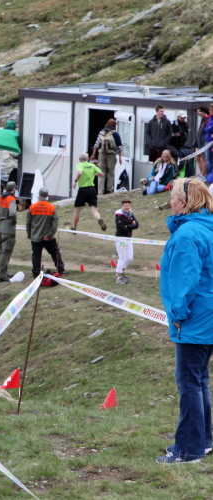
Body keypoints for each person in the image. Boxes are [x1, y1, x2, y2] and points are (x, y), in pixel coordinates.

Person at [157, 178, 213, 464]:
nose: (170, 202)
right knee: (199, 378)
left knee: (189, 381)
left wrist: (178, 314)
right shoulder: (207, 228)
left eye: (173, 197)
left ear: (184, 202)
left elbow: (185, 279)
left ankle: (188, 449)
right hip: (207, 315)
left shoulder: (188, 234)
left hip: (195, 317)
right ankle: (203, 440)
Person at [26, 187, 64, 278]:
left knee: (36, 255)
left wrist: (29, 234)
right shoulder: (51, 207)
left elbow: (28, 223)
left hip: (35, 237)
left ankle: (36, 273)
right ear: (46, 195)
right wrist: (49, 234)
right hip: (48, 237)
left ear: (39, 195)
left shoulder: (32, 207)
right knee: (55, 252)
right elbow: (55, 223)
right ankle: (61, 269)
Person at [0, 181, 18, 282]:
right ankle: (2, 274)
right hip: (9, 229)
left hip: (1, 227)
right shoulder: (11, 199)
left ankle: (3, 272)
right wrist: (14, 222)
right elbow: (13, 213)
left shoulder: (0, 197)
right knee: (6, 252)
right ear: (13, 189)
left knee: (2, 251)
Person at [71, 152, 107, 232]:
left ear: (79, 159)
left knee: (77, 211)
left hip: (83, 189)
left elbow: (79, 172)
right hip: (92, 189)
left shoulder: (80, 165)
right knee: (94, 209)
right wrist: (93, 174)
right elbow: (102, 174)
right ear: (87, 159)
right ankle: (99, 218)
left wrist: (75, 181)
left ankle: (74, 228)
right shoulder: (92, 165)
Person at [90, 118, 123, 194]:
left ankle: (100, 192)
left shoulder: (101, 133)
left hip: (101, 154)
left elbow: (96, 145)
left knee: (101, 173)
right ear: (114, 125)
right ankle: (109, 190)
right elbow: (119, 147)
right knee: (110, 173)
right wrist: (120, 157)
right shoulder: (115, 134)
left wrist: (93, 155)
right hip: (111, 154)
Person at [114, 199, 139, 285]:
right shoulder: (119, 216)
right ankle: (119, 277)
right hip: (121, 239)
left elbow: (137, 225)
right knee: (122, 258)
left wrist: (128, 226)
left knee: (129, 258)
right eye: (125, 206)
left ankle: (122, 272)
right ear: (122, 206)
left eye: (128, 205)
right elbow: (121, 228)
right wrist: (131, 225)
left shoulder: (130, 213)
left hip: (128, 238)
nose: (127, 207)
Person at [195, 106, 209, 176]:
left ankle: (203, 174)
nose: (198, 115)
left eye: (199, 113)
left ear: (204, 112)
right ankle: (202, 173)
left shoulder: (207, 120)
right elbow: (199, 132)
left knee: (203, 159)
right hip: (199, 142)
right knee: (197, 157)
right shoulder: (202, 120)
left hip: (203, 142)